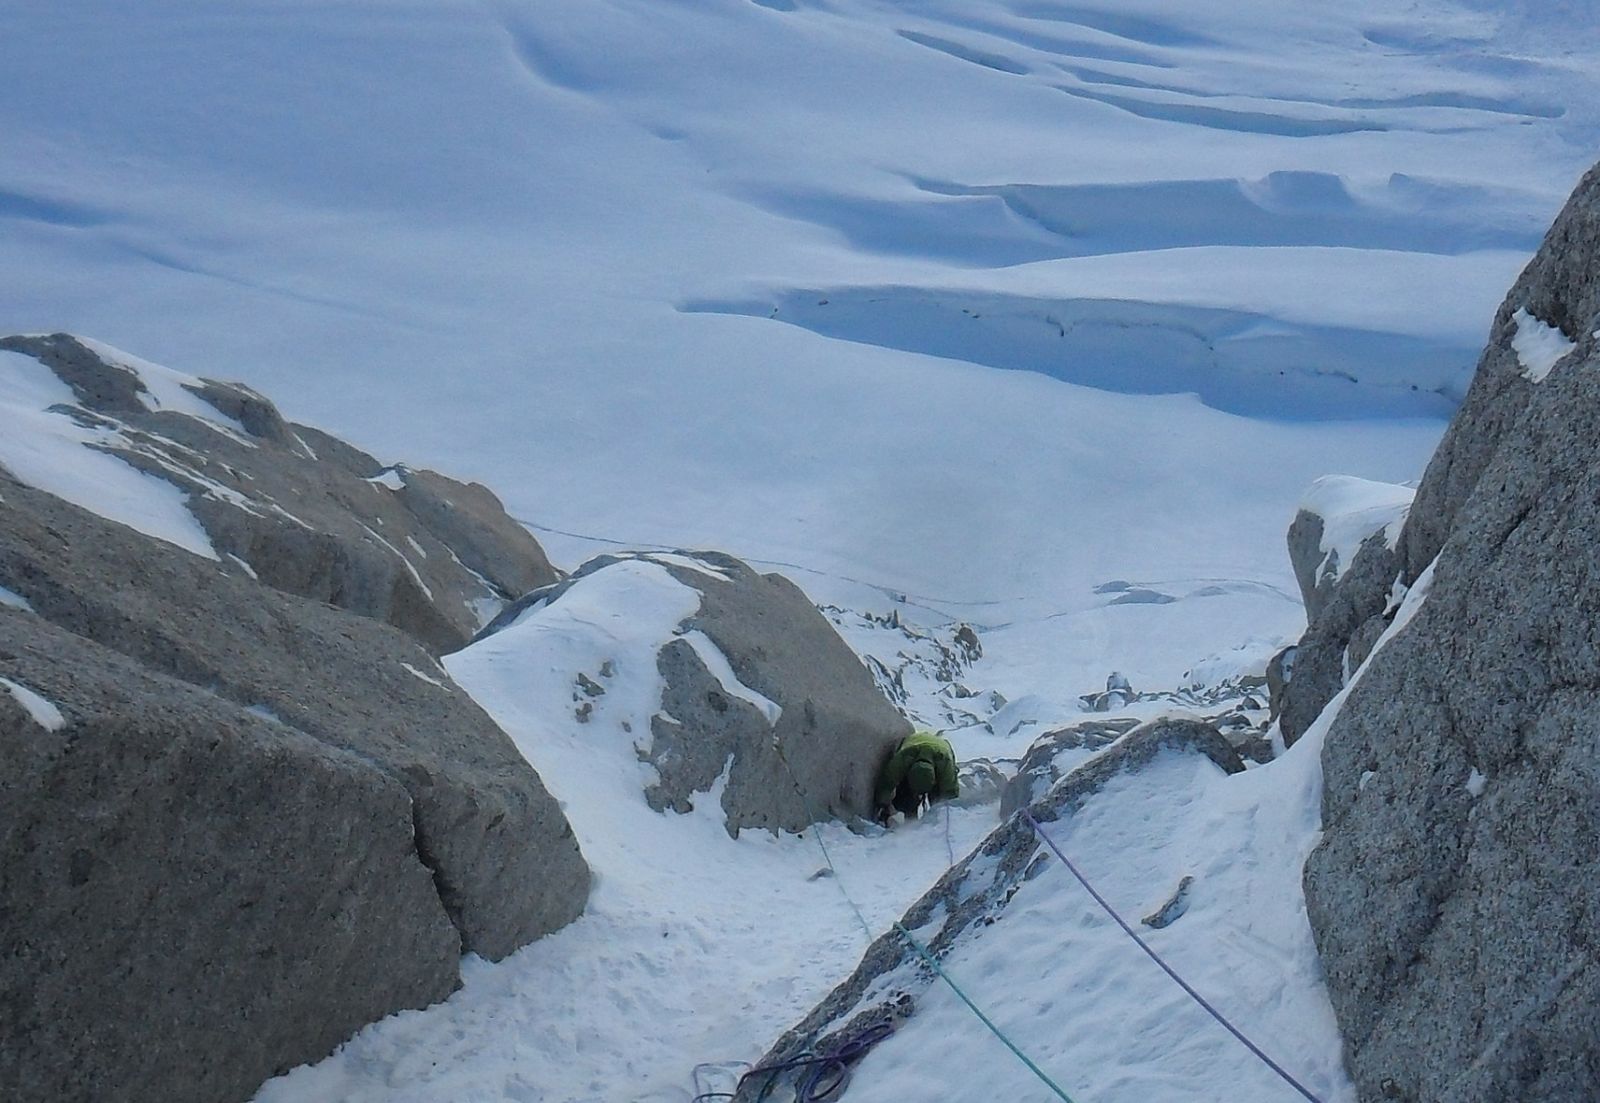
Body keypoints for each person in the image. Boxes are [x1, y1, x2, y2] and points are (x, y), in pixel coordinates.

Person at [874, 731, 959, 825]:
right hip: (913, 745)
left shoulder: (945, 763)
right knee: (906, 798)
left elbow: (950, 793)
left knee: (939, 799)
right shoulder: (902, 760)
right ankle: (910, 821)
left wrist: (947, 817)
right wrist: (883, 804)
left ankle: (935, 823)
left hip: (940, 748)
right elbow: (888, 782)